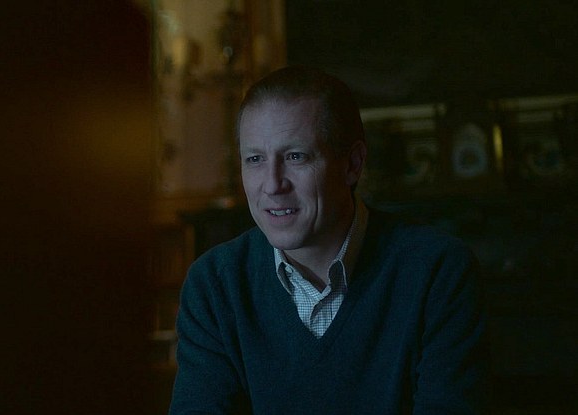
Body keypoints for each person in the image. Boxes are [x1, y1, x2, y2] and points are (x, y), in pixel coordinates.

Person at [169, 66, 488, 414]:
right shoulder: (215, 283)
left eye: (296, 157)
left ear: (353, 164)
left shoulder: (437, 271)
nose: (272, 184)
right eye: (255, 159)